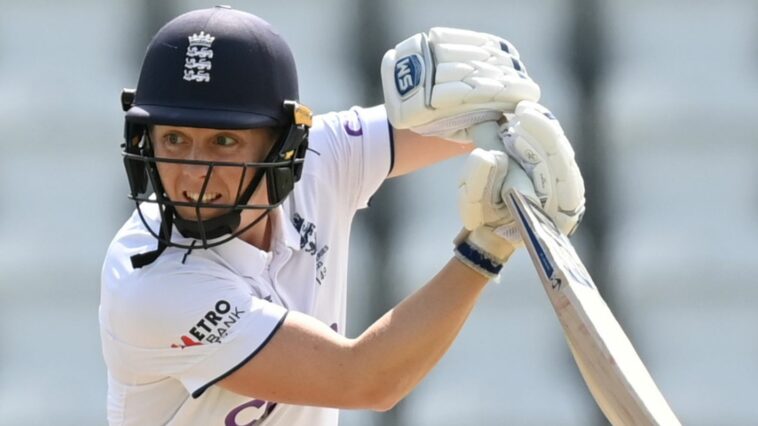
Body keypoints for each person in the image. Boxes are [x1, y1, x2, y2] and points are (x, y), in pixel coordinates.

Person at [99, 6, 585, 425]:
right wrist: (488, 246)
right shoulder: (150, 286)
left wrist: (513, 123)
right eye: (174, 140)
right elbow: (366, 380)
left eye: (224, 141)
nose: (192, 175)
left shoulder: (322, 157)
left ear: (283, 145)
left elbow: (461, 122)